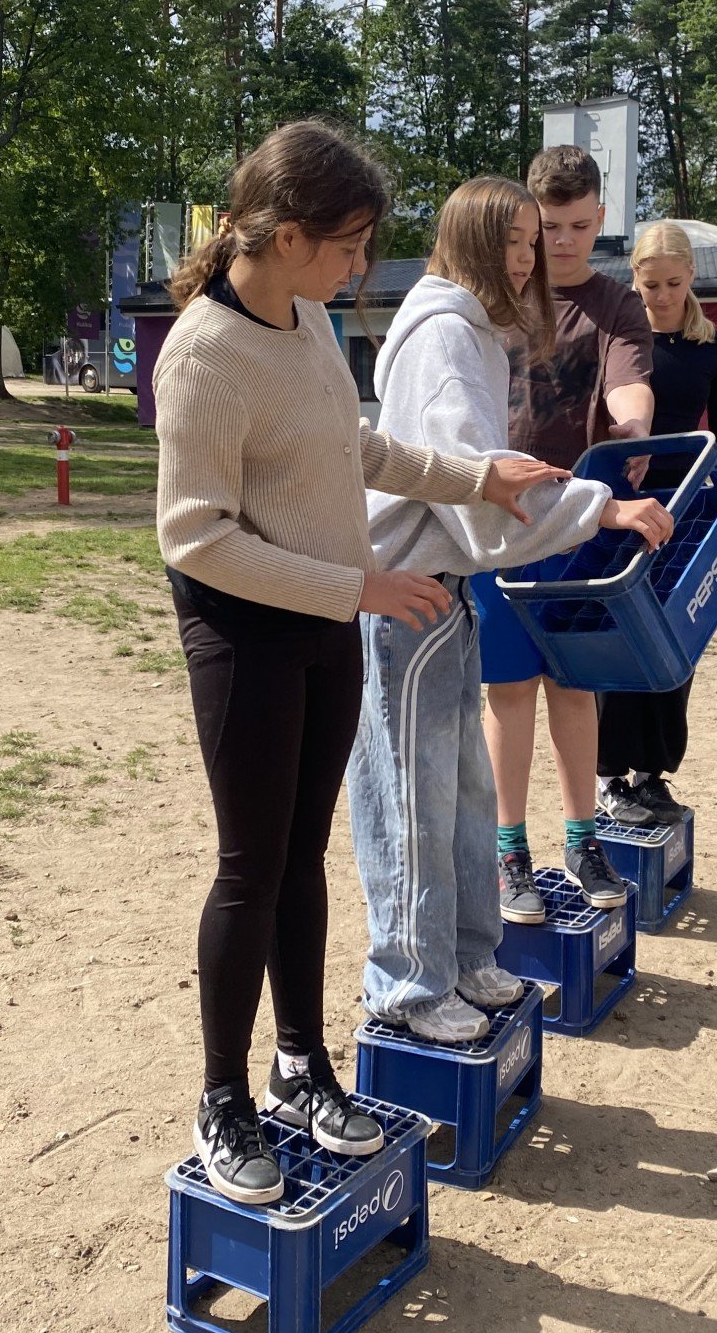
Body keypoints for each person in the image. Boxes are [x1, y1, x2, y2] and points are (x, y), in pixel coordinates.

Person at [153, 121, 571, 1204]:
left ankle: (300, 1069)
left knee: (303, 861)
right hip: (245, 636)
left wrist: (478, 477)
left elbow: (359, 447)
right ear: (287, 235)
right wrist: (360, 588)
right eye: (347, 246)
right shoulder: (202, 353)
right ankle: (222, 1098)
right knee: (250, 869)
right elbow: (194, 537)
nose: (359, 266)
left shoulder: (303, 321)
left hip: (324, 629)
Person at [350, 177, 674, 1043]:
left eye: (534, 241)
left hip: (445, 592)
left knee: (463, 792)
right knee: (412, 800)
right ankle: (408, 985)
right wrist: (602, 509)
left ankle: (463, 958)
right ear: (469, 241)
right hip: (406, 594)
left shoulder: (474, 332)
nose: (528, 258)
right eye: (513, 240)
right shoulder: (444, 337)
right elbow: (480, 497)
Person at [474, 145, 655, 923]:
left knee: (576, 686)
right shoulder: (497, 300)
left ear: (601, 219)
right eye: (550, 227)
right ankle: (508, 852)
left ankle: (583, 840)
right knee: (510, 690)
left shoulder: (616, 305)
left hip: (580, 524)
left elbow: (628, 385)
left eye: (580, 225)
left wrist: (635, 431)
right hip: (500, 522)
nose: (565, 241)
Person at [595, 220, 717, 828]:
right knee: (619, 638)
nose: (660, 296)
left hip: (689, 511)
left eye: (672, 284)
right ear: (634, 278)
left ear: (691, 277)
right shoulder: (619, 343)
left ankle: (653, 775)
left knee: (677, 640)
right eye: (649, 284)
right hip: (624, 509)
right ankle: (609, 775)